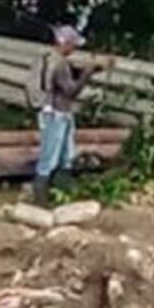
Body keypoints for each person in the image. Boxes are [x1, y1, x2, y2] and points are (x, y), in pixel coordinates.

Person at [31, 25, 112, 206]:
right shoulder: (59, 65)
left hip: (61, 115)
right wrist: (88, 73)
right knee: (49, 158)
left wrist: (97, 67)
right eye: (73, 44)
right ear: (64, 43)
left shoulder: (54, 59)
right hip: (55, 116)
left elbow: (74, 71)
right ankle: (40, 201)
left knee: (65, 157)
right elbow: (71, 90)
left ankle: (61, 196)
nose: (75, 48)